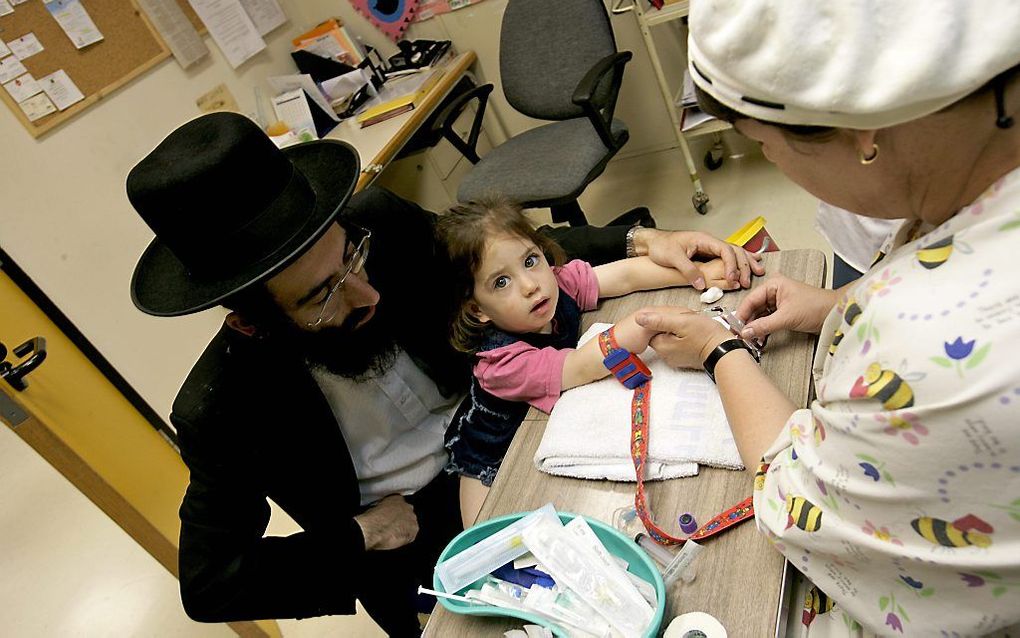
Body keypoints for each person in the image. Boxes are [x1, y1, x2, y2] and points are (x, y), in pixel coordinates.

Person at [125, 112, 763, 634]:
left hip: (510, 420)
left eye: (353, 257)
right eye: (322, 296)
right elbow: (211, 585)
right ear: (252, 322)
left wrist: (641, 244)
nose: (366, 294)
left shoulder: (381, 223)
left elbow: (503, 254)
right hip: (409, 534)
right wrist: (358, 536)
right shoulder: (220, 406)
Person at [634, 1, 1020, 635]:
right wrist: (840, 307)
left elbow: (791, 503)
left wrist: (717, 350)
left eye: (763, 144)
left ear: (862, 132)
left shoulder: (912, 340)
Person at [436, 198, 744, 525]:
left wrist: (700, 274)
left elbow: (625, 276)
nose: (530, 285)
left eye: (530, 260)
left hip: (546, 431)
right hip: (493, 459)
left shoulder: (555, 283)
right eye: (501, 282)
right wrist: (624, 334)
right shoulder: (499, 363)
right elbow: (578, 367)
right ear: (477, 309)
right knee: (484, 540)